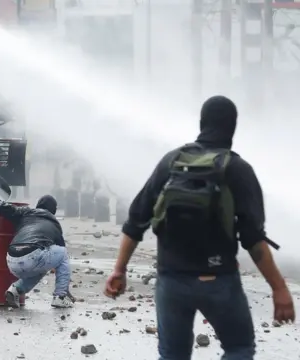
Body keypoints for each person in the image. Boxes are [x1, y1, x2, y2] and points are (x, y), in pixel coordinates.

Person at [104, 96, 295, 360]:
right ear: (233, 127)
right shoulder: (237, 169)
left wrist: (119, 269)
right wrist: (278, 288)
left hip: (171, 279)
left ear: (201, 123)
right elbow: (254, 241)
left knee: (172, 355)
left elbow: (135, 221)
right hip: (218, 280)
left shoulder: (172, 162)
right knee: (239, 348)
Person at [0, 193, 73, 308]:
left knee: (41, 265)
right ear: (54, 210)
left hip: (11, 259)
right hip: (33, 256)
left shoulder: (26, 212)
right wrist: (64, 288)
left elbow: (6, 208)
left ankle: (15, 289)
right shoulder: (55, 224)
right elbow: (61, 257)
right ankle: (60, 297)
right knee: (62, 254)